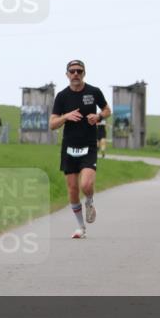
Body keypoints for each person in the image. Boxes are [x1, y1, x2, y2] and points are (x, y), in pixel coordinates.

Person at [50, 60, 109, 239]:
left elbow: (107, 110)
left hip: (89, 145)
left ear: (84, 73)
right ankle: (80, 227)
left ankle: (89, 202)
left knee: (86, 185)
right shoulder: (62, 96)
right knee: (73, 189)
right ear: (67, 74)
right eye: (72, 71)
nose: (75, 74)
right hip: (69, 146)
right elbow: (52, 124)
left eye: (79, 71)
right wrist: (66, 116)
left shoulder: (93, 92)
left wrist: (98, 116)